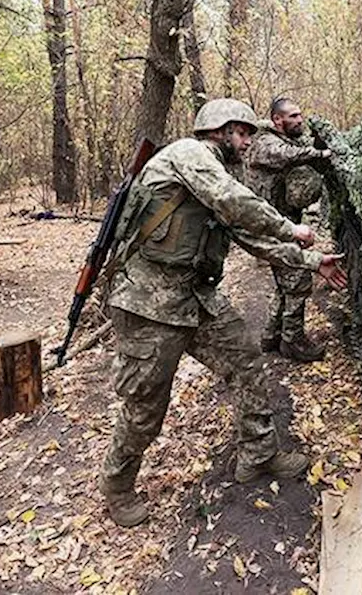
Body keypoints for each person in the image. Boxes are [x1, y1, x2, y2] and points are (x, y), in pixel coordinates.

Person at [101, 98, 348, 528]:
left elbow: (248, 235)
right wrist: (291, 228)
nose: (250, 141)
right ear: (221, 129)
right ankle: (117, 488)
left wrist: (311, 261)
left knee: (247, 362)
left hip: (195, 296)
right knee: (144, 409)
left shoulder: (218, 171)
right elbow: (234, 202)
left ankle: (257, 454)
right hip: (148, 304)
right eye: (245, 132)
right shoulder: (189, 155)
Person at [245, 97, 334, 362]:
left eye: (300, 115)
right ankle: (293, 342)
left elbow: (297, 149)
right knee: (297, 279)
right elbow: (286, 155)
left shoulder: (285, 139)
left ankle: (272, 336)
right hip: (272, 225)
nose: (299, 120)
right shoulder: (265, 143)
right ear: (277, 120)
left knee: (284, 282)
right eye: (293, 116)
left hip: (280, 222)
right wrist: (322, 155)